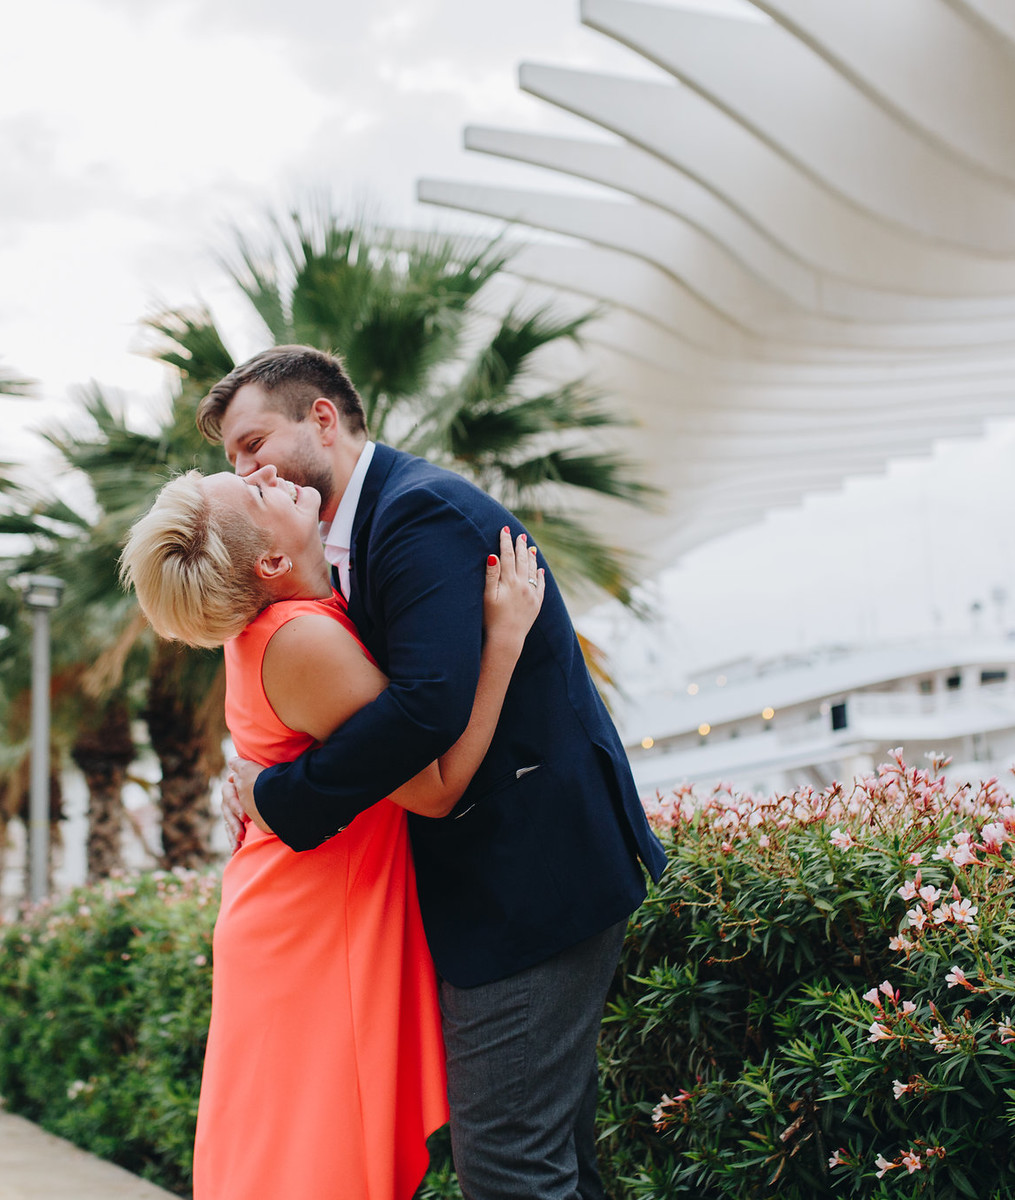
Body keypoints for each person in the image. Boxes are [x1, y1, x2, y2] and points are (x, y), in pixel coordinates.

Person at [206, 345, 669, 1200]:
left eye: (251, 443)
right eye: (234, 459)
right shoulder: (340, 542)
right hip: (493, 881)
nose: (245, 470)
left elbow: (423, 713)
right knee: (549, 1161)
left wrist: (280, 797)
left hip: (529, 877)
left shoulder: (419, 514)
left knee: (508, 1168)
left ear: (321, 417)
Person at [120, 466, 548, 1200]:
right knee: (314, 1166)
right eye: (252, 491)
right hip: (313, 928)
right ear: (271, 563)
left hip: (302, 908)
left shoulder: (288, 619)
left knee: (293, 1154)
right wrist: (503, 638)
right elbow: (437, 787)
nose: (265, 474)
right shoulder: (297, 638)